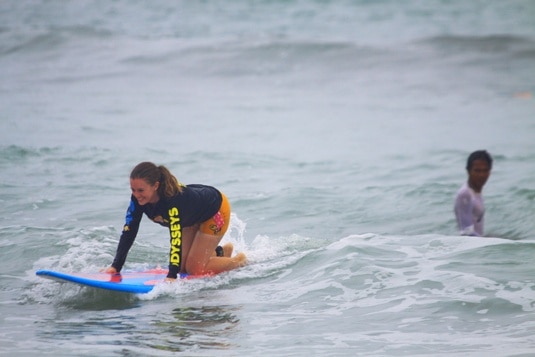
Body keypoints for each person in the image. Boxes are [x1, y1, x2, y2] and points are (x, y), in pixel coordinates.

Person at [105, 162, 246, 281]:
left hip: (215, 211)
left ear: (155, 186)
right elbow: (129, 231)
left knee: (194, 269)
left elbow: (175, 237)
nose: (136, 195)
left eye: (141, 190)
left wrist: (171, 276)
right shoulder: (137, 200)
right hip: (191, 215)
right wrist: (116, 266)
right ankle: (221, 252)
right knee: (182, 267)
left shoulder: (171, 201)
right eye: (133, 190)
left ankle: (239, 260)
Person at [454, 150, 493, 236]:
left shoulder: (476, 192)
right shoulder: (465, 195)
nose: (482, 175)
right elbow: (466, 232)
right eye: (477, 171)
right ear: (468, 171)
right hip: (473, 245)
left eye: (485, 170)